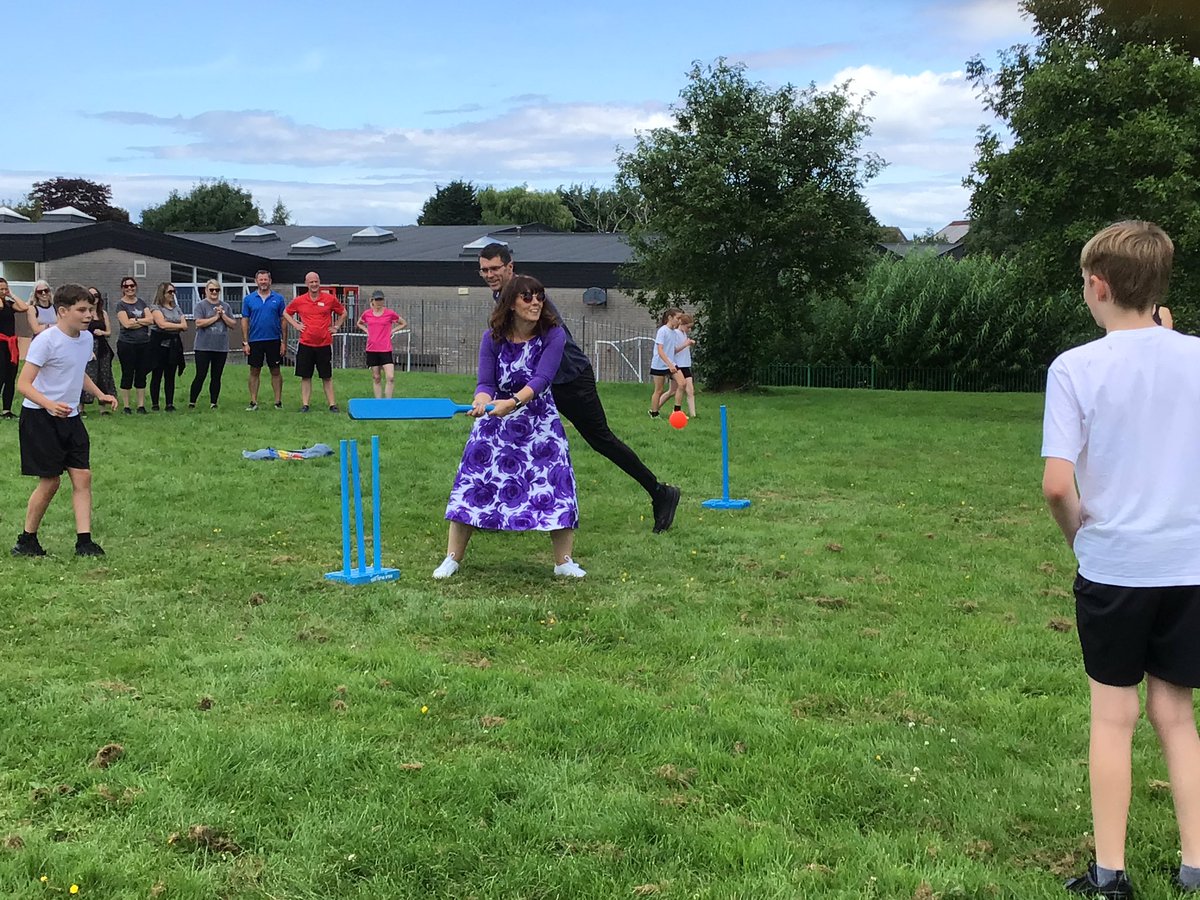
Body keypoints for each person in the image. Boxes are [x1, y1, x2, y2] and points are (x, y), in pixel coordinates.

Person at [1042, 221, 1200, 898]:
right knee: (1177, 714)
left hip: (1115, 569)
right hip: (1190, 567)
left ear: (1097, 285)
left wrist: (1079, 538)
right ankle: (1196, 865)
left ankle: (1110, 874)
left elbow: (1057, 485)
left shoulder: (1075, 368)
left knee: (1114, 718)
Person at [477, 243, 680, 533]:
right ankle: (495, 510)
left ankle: (660, 492)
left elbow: (551, 341)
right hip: (533, 384)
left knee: (601, 439)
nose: (489, 275)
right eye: (484, 270)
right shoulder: (503, 297)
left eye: (495, 268)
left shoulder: (531, 295)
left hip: (569, 378)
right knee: (509, 439)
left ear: (510, 267)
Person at [435, 274, 584, 580]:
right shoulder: (492, 338)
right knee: (472, 482)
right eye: (527, 297)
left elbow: (542, 379)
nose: (536, 303)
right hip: (496, 421)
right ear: (512, 304)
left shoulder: (553, 335)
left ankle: (564, 562)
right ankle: (452, 558)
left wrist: (512, 403)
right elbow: (485, 383)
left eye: (539, 297)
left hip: (539, 423)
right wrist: (482, 401)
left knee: (556, 484)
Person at [13, 283, 117, 557]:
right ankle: (27, 541)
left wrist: (100, 394)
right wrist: (49, 404)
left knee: (83, 477)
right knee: (51, 482)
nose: (88, 315)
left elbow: (76, 371)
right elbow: (23, 384)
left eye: (90, 309)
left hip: (70, 418)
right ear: (62, 311)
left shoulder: (85, 339)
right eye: (81, 310)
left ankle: (84, 542)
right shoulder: (45, 341)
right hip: (40, 418)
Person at [283, 271, 346, 413]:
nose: (314, 284)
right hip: (306, 344)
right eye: (311, 282)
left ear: (319, 282)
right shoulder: (299, 300)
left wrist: (336, 326)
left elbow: (343, 312)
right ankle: (305, 405)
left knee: (326, 376)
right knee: (306, 376)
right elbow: (286, 313)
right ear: (306, 284)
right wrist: (296, 324)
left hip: (324, 344)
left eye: (316, 281)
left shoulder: (329, 299)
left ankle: (332, 405)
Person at [240, 269, 287, 411]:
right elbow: (244, 320)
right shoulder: (249, 299)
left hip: (274, 339)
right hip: (255, 340)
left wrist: (283, 342)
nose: (263, 282)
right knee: (254, 371)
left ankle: (278, 402)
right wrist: (245, 342)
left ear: (270, 281)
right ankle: (253, 402)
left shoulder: (278, 299)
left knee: (276, 370)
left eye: (265, 279)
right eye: (261, 279)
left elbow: (283, 320)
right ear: (256, 281)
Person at [189, 280, 235, 409]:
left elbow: (233, 324)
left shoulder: (225, 306)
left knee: (216, 376)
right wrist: (215, 317)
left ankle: (213, 402)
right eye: (211, 290)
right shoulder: (201, 306)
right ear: (206, 291)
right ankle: (192, 401)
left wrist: (223, 315)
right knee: (201, 374)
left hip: (220, 347)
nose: (214, 292)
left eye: (217, 290)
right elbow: (199, 323)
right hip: (203, 347)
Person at [356, 289, 406, 399]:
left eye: (381, 300)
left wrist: (392, 331)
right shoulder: (367, 314)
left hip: (385, 349)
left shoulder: (389, 313)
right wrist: (367, 331)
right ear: (372, 301)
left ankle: (388, 401)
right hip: (372, 349)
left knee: (390, 377)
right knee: (376, 377)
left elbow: (403, 323)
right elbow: (359, 323)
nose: (379, 302)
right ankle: (378, 402)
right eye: (377, 300)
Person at [114, 276, 153, 414]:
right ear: (122, 289)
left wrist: (135, 320)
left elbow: (151, 320)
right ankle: (126, 406)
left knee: (141, 374)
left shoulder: (142, 302)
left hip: (143, 343)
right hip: (127, 344)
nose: (129, 288)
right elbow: (126, 324)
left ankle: (141, 406)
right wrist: (142, 321)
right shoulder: (120, 305)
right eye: (126, 286)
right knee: (127, 373)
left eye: (132, 286)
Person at [147, 282, 187, 411]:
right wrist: (177, 326)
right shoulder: (155, 308)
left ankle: (169, 404)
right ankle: (155, 404)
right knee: (157, 374)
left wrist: (171, 325)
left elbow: (185, 325)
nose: (172, 294)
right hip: (159, 345)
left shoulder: (176, 308)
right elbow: (161, 324)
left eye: (174, 291)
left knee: (170, 375)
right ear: (162, 293)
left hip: (173, 345)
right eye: (170, 292)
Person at [81, 287, 116, 415]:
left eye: (96, 295)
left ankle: (103, 408)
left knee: (104, 375)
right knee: (88, 375)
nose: (94, 298)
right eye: (91, 295)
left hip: (102, 347)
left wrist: (102, 332)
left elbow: (109, 332)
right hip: (88, 346)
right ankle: (81, 407)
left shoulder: (103, 313)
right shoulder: (85, 313)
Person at [0, 277, 31, 420]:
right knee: (0, 375)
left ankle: (7, 410)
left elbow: (24, 307)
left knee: (10, 377)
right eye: (1, 289)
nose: (3, 291)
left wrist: (11, 294)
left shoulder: (9, 304)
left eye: (5, 288)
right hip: (0, 343)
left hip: (11, 344)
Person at [648, 308, 686, 419]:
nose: (679, 321)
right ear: (670, 317)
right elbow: (660, 350)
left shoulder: (674, 333)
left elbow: (672, 350)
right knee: (659, 390)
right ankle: (654, 413)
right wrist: (669, 364)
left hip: (671, 363)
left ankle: (677, 412)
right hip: (659, 364)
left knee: (682, 383)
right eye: (678, 318)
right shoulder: (662, 331)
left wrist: (685, 345)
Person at [659, 312, 698, 418]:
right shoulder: (675, 334)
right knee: (672, 391)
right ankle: (655, 408)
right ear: (682, 324)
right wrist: (686, 344)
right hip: (678, 365)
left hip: (685, 365)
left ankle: (693, 415)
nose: (689, 330)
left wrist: (689, 343)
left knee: (690, 390)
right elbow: (673, 350)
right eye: (688, 327)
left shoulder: (684, 334)